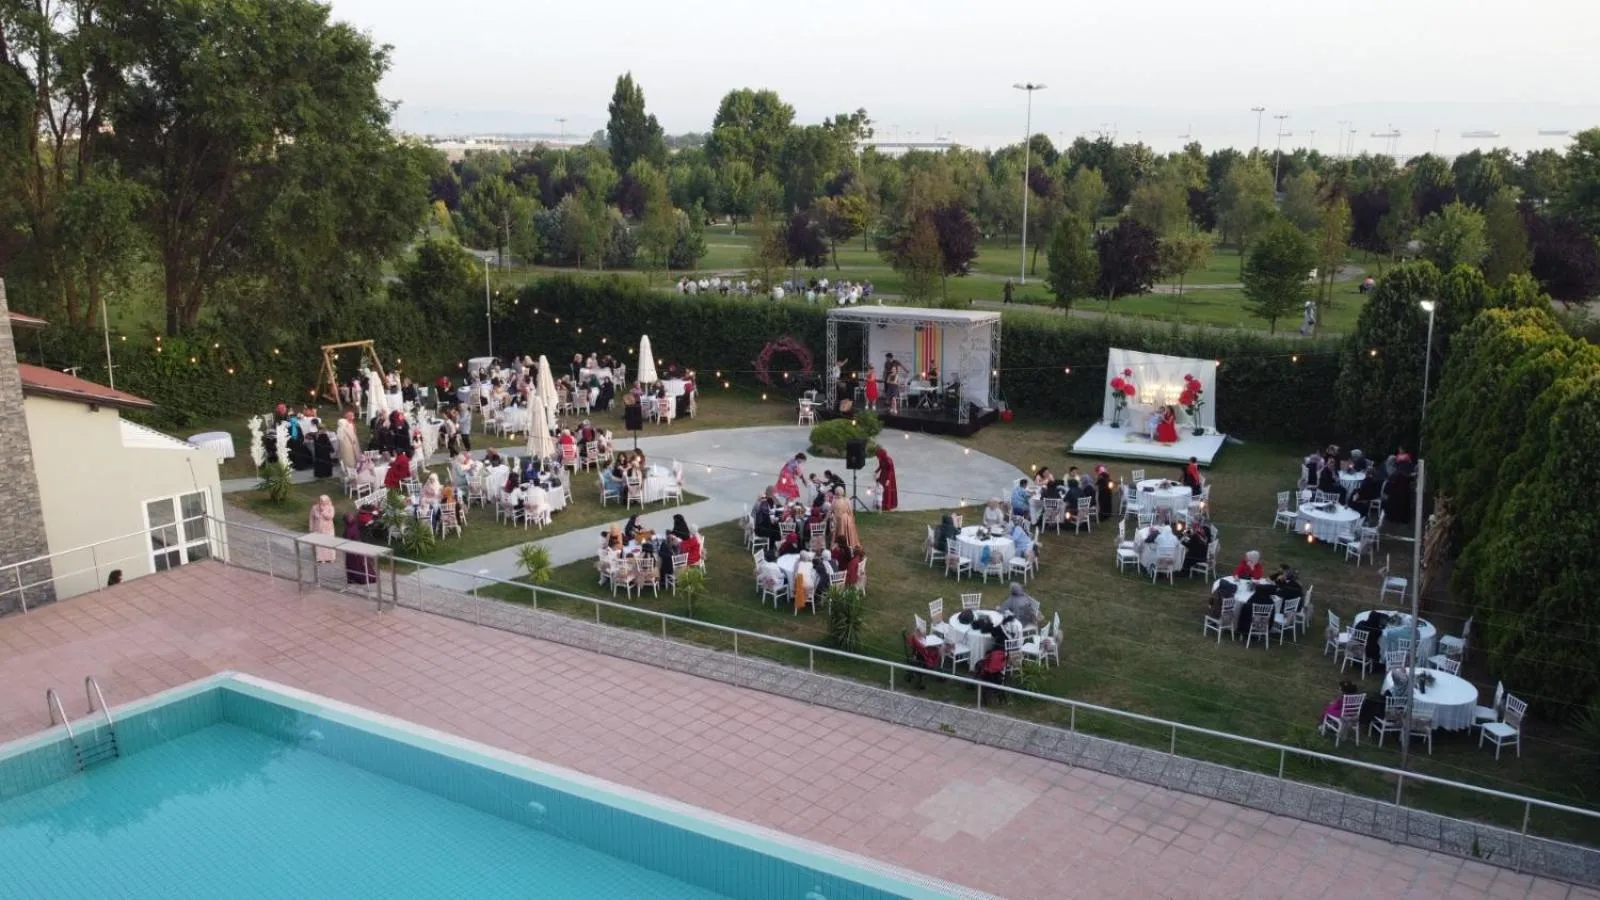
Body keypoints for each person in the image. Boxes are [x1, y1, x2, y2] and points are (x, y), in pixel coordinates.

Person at [343, 513, 377, 585]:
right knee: (362, 562)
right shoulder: (355, 526)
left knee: (355, 564)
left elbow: (347, 539)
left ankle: (358, 578)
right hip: (357, 546)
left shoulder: (349, 529)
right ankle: (366, 577)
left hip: (352, 550)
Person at [308, 495, 337, 563]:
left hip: (328, 529)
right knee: (320, 545)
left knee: (329, 543)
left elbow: (330, 517)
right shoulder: (314, 507)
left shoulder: (331, 507)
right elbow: (311, 518)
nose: (322, 502)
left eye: (324, 501)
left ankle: (330, 558)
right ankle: (321, 559)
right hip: (318, 529)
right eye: (321, 501)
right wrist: (311, 527)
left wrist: (323, 511)